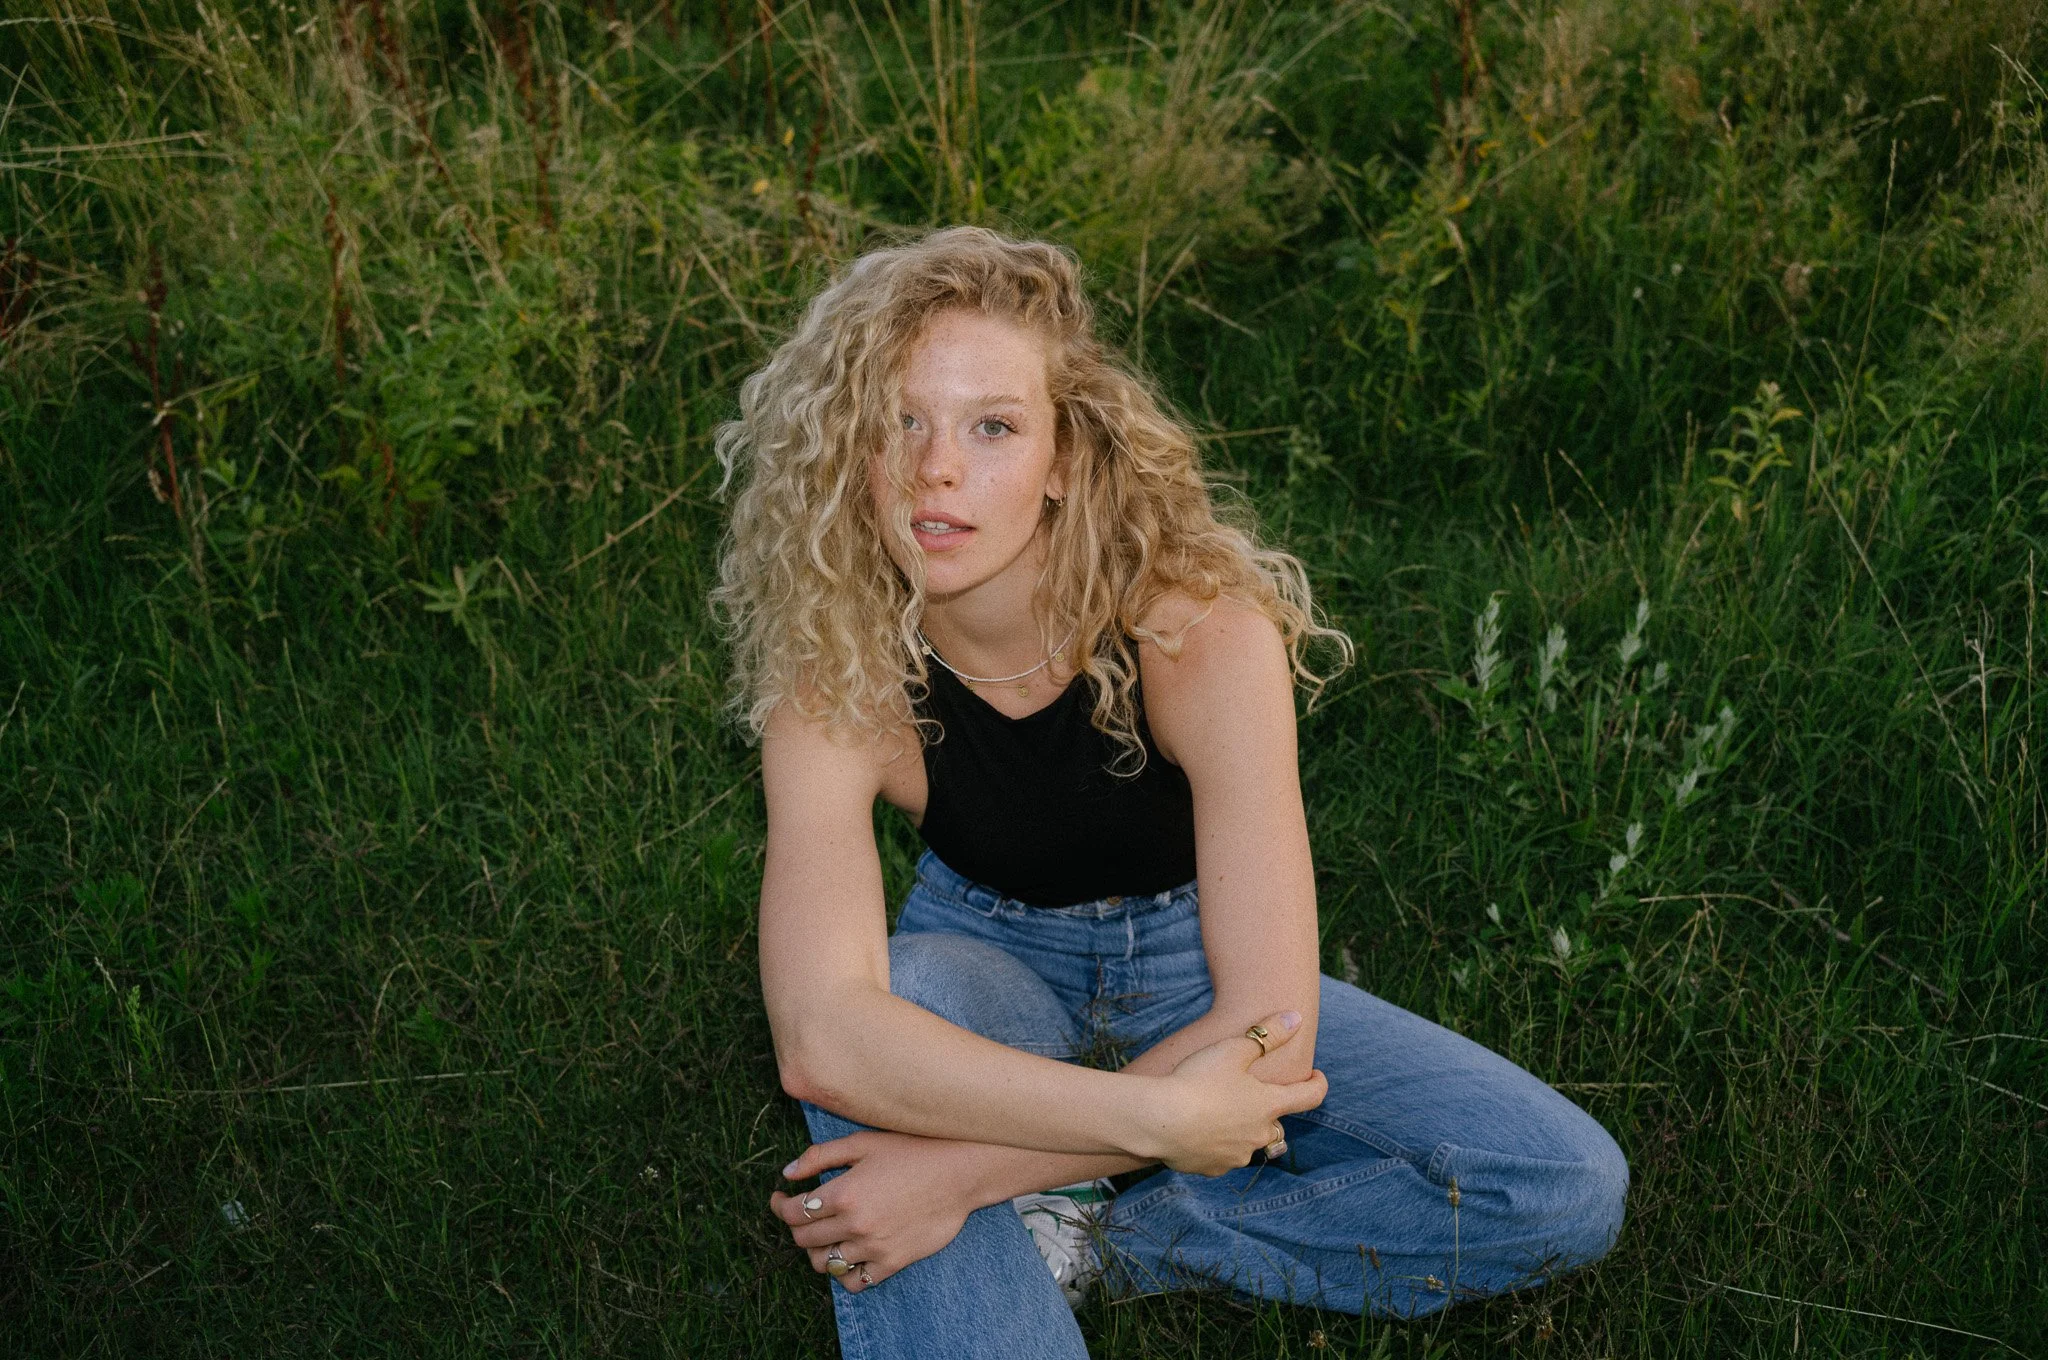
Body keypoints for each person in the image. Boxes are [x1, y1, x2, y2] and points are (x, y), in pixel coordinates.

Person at [712, 226, 1628, 1359]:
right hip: (988, 952)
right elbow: (823, 1036)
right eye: (900, 421)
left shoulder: (1197, 632)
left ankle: (1110, 1239)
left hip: (1191, 957)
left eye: (991, 425)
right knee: (904, 1000)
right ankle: (1030, 1236)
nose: (934, 469)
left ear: (1062, 456)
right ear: (850, 450)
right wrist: (1153, 1119)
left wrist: (957, 1172)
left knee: (1555, 1182)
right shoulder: (833, 669)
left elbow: (1265, 1033)